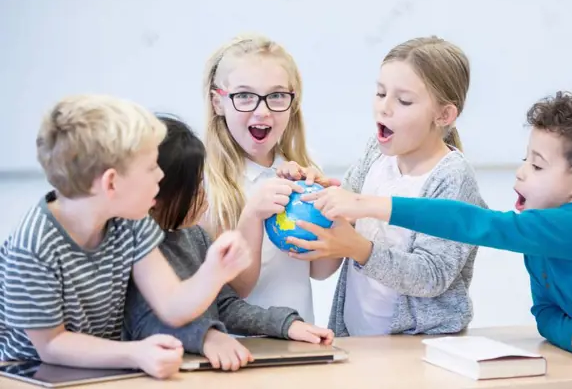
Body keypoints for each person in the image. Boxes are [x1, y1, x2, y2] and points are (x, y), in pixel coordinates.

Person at [303, 92, 572, 384]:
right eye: (525, 159)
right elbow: (546, 314)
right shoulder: (542, 241)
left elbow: (479, 223)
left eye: (537, 165)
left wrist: (370, 204)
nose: (520, 173)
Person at [0, 95, 250, 379]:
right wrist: (135, 353)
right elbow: (53, 346)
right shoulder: (32, 247)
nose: (160, 176)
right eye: (150, 167)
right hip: (29, 375)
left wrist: (213, 272)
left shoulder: (131, 222)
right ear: (111, 182)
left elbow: (171, 305)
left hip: (102, 368)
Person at [282, 36, 486, 336]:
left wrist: (359, 249)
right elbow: (347, 209)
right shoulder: (376, 154)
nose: (384, 108)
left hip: (418, 349)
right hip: (357, 338)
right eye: (380, 93)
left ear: (444, 115)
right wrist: (315, 192)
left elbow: (433, 275)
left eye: (403, 101)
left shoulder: (452, 178)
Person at [124, 115, 334, 371]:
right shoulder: (134, 248)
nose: (204, 194)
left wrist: (285, 324)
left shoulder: (195, 237)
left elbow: (224, 305)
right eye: (194, 188)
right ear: (158, 194)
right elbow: (144, 320)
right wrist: (207, 337)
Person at [202, 34, 339, 323]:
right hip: (236, 350)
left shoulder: (305, 165)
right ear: (218, 102)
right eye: (244, 96)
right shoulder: (205, 183)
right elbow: (236, 289)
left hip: (299, 342)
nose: (262, 110)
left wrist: (332, 211)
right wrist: (252, 214)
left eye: (276, 96)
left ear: (293, 102)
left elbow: (321, 271)